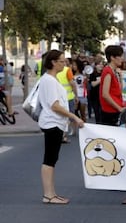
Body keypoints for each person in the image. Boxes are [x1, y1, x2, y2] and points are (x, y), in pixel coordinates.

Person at [37, 50, 84, 204]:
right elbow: (55, 106)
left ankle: (51, 193)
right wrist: (74, 116)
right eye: (62, 61)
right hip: (52, 122)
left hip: (55, 122)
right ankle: (48, 195)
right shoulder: (49, 80)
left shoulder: (51, 79)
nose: (65, 64)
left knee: (52, 158)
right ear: (53, 62)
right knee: (49, 159)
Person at [100, 45, 125, 126]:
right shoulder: (108, 71)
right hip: (110, 111)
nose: (122, 58)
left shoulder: (114, 71)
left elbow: (120, 90)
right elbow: (105, 94)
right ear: (112, 57)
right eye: (120, 56)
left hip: (115, 109)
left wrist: (120, 77)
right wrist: (119, 108)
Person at [56, 58, 77, 142]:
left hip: (58, 98)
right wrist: (76, 95)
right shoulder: (67, 70)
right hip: (69, 97)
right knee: (70, 115)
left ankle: (63, 134)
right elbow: (72, 83)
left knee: (61, 116)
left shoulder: (54, 71)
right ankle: (70, 131)